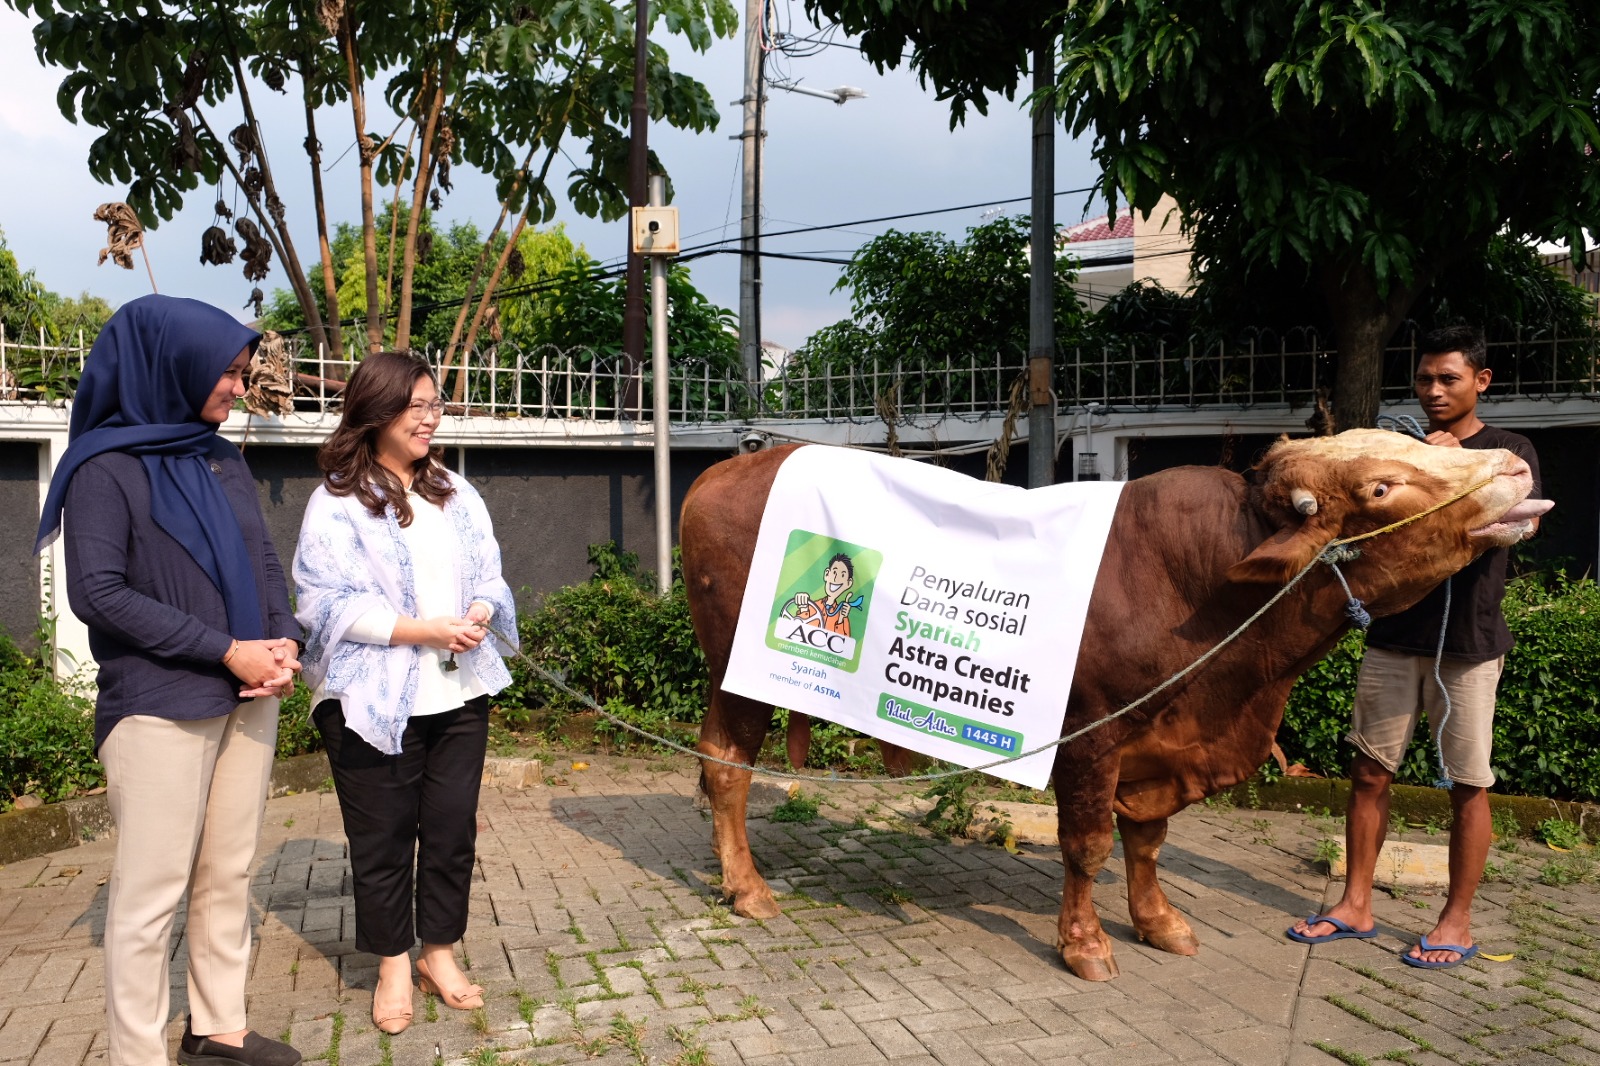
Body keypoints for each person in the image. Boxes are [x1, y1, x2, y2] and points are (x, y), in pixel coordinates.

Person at [37, 295, 303, 1066]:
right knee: (150, 895)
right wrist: (225, 649)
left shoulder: (219, 455)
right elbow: (99, 594)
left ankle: (218, 1027)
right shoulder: (104, 468)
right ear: (172, 368)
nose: (241, 388)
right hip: (158, 706)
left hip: (248, 697)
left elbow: (261, 560)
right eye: (228, 373)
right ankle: (138, 1054)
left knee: (228, 871)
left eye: (241, 372)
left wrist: (283, 640)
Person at [1286, 325, 1543, 969]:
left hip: (1468, 645)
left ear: (1481, 381)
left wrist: (1452, 467)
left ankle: (1456, 921)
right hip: (1394, 637)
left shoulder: (1508, 450)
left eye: (1449, 378)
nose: (1434, 390)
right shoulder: (1397, 452)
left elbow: (1522, 523)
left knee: (1467, 785)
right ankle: (1355, 905)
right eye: (1425, 378)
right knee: (1369, 772)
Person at [292, 351, 516, 1036]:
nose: (430, 418)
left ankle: (438, 954)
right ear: (376, 411)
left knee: (451, 833)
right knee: (382, 839)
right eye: (415, 406)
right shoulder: (336, 502)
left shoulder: (454, 491)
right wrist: (426, 630)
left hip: (458, 695)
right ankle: (393, 963)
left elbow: (491, 573)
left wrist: (479, 610)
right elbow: (324, 603)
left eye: (434, 404)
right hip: (371, 702)